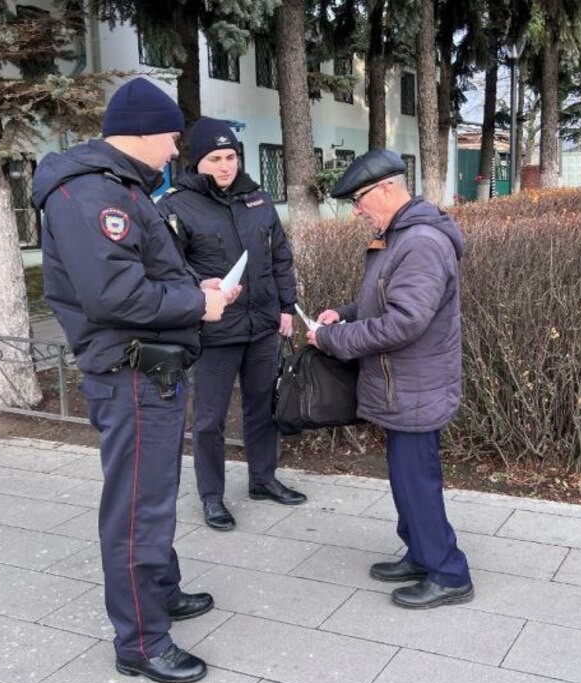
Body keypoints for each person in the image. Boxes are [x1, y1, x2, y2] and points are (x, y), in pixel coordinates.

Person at [32, 78, 238, 683]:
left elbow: (142, 274)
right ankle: (141, 642)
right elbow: (114, 293)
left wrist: (193, 290)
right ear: (144, 131)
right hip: (131, 372)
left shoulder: (120, 188)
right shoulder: (92, 194)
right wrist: (197, 305)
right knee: (136, 512)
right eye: (173, 137)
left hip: (149, 369)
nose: (177, 149)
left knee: (152, 496)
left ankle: (161, 591)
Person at [306, 149, 473, 609]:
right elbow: (384, 303)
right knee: (406, 478)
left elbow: (404, 322)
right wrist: (342, 314)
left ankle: (448, 571)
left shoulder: (419, 241)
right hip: (403, 383)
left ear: (386, 189)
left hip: (415, 385)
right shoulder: (398, 236)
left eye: (359, 199)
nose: (356, 210)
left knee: (416, 480)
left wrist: (331, 340)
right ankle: (421, 553)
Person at [158, 117, 306, 532]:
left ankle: (263, 479)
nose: (225, 166)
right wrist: (196, 285)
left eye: (231, 157)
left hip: (261, 324)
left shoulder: (257, 199)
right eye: (215, 158)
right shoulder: (174, 206)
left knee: (263, 408)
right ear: (197, 162)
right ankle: (212, 497)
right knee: (210, 419)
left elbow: (280, 256)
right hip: (214, 330)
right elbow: (166, 267)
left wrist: (286, 307)